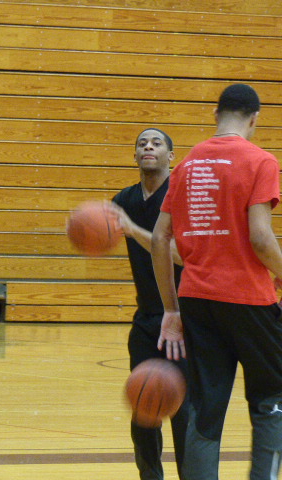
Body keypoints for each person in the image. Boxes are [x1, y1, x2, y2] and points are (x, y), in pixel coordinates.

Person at [151, 83, 282, 480]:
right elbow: (261, 239)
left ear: (216, 114)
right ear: (255, 119)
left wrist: (170, 309)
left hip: (196, 300)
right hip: (248, 299)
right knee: (272, 398)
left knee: (205, 405)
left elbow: (159, 238)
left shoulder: (187, 164)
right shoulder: (260, 161)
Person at [107, 128, 188, 480]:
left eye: (157, 143)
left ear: (171, 156)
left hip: (185, 319)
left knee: (184, 412)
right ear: (135, 156)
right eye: (142, 143)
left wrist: (132, 229)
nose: (148, 147)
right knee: (144, 406)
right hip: (146, 319)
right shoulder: (123, 200)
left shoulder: (182, 197)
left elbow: (181, 255)